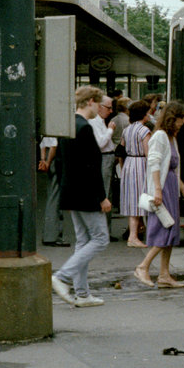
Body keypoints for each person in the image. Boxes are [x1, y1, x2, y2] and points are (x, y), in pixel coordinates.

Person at [51, 86, 112, 308]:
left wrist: (64, 194)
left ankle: (83, 294)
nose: (99, 109)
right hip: (87, 194)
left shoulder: (68, 126)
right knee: (100, 239)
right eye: (99, 103)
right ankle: (62, 276)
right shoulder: (85, 128)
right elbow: (92, 167)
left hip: (71, 192)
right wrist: (102, 197)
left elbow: (60, 163)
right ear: (90, 103)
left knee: (83, 241)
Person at [134, 100, 184, 288]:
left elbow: (171, 168)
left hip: (170, 186)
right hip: (162, 187)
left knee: (171, 230)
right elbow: (154, 163)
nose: (183, 122)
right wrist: (158, 190)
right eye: (181, 118)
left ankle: (164, 275)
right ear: (171, 118)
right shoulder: (160, 136)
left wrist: (182, 187)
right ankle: (143, 267)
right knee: (165, 229)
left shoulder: (170, 137)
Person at [118, 100, 152, 248]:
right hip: (140, 164)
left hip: (129, 164)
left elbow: (121, 150)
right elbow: (148, 152)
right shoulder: (144, 131)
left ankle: (135, 233)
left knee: (132, 199)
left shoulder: (127, 129)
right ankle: (134, 236)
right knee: (141, 200)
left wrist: (122, 166)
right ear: (144, 114)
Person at [89, 94, 117, 211]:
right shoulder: (94, 122)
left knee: (108, 192)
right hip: (104, 157)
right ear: (99, 107)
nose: (110, 111)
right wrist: (110, 130)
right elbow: (100, 143)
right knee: (104, 192)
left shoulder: (101, 121)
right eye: (108, 108)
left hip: (108, 157)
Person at [38, 136, 67, 246]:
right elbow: (54, 146)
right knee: (56, 197)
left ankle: (49, 234)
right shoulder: (56, 127)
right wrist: (49, 162)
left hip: (49, 158)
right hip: (55, 159)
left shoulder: (47, 128)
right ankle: (52, 235)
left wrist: (43, 160)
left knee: (52, 195)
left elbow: (43, 145)